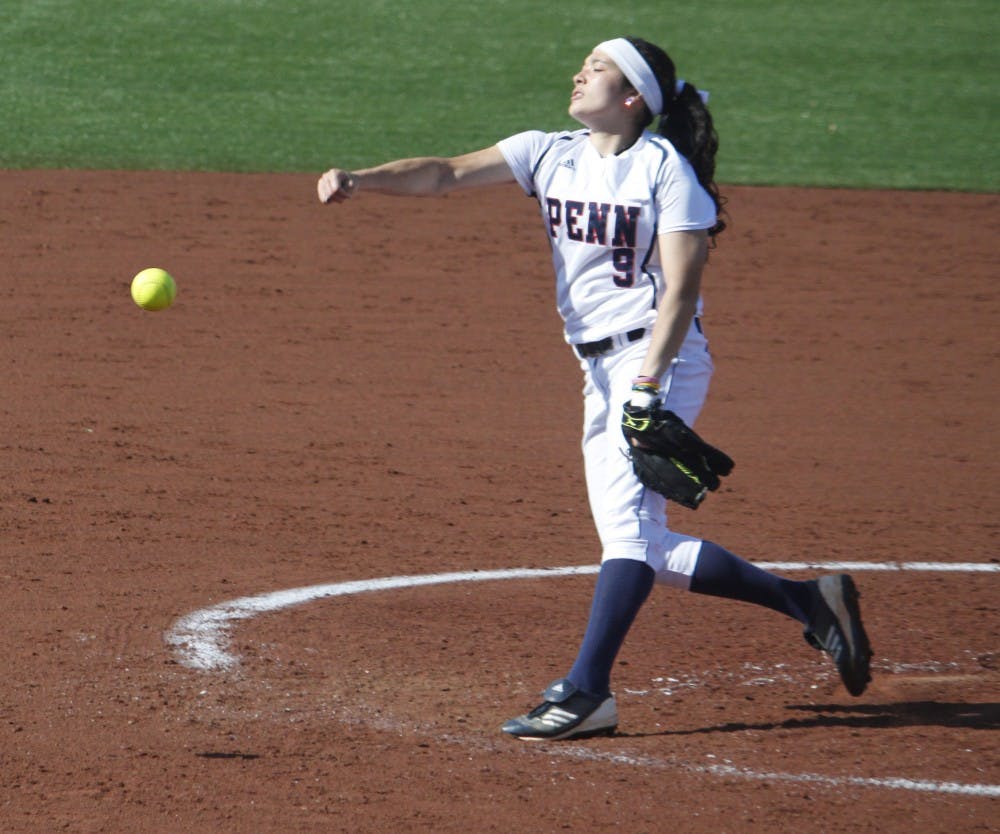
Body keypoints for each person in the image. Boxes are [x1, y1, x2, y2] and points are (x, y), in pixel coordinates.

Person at [317, 36, 873, 741]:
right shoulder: (549, 152)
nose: (581, 72)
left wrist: (646, 388)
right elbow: (446, 174)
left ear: (633, 97)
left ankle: (587, 691)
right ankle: (812, 604)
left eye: (599, 67)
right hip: (599, 368)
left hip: (655, 358)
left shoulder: (664, 171)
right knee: (638, 538)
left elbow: (680, 292)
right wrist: (361, 178)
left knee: (628, 538)